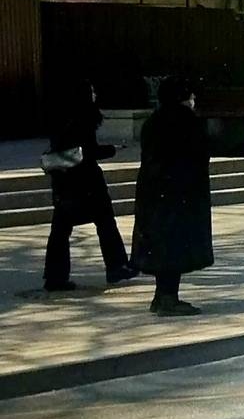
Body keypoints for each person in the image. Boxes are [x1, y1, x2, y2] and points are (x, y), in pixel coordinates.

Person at [42, 81, 137, 293]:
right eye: (92, 92)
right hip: (86, 182)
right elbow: (88, 152)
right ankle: (116, 266)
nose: (95, 95)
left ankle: (54, 276)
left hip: (64, 182)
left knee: (60, 230)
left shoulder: (60, 118)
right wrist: (112, 150)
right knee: (105, 223)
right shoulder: (84, 119)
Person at [131, 77, 213, 316]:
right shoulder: (186, 122)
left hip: (153, 193)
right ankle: (169, 297)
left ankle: (161, 295)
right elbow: (201, 151)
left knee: (160, 245)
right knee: (175, 246)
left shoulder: (153, 121)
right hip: (180, 194)